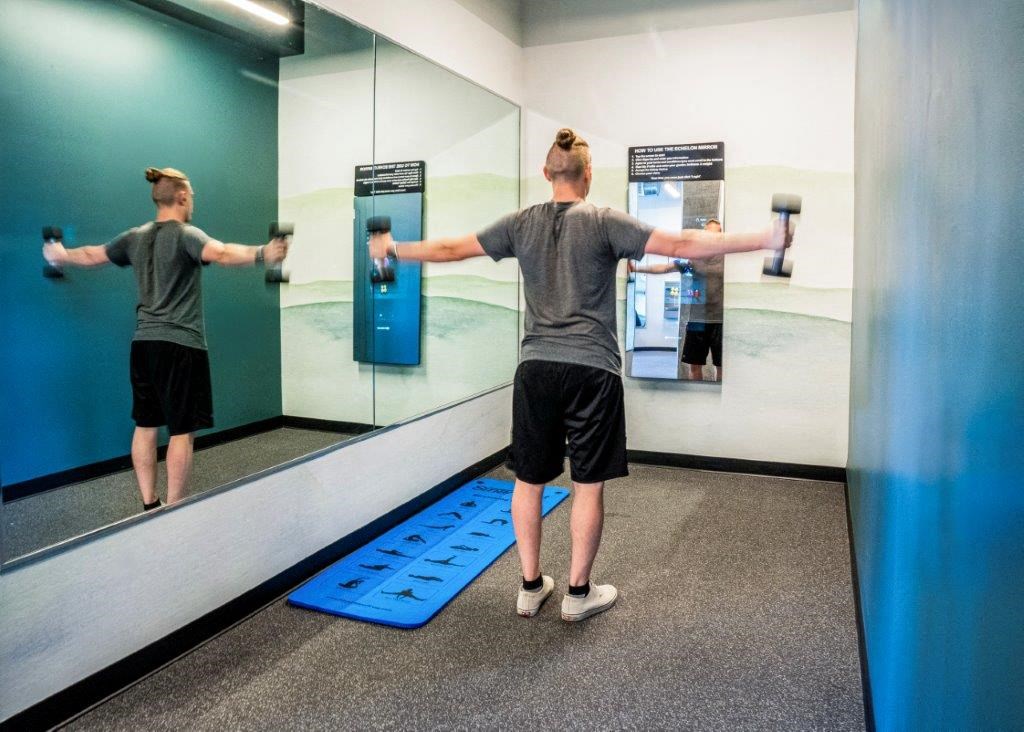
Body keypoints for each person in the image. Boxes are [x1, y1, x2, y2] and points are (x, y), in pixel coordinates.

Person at [368, 128, 792, 622]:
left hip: (536, 369)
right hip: (593, 369)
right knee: (587, 485)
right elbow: (682, 243)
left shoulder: (520, 222)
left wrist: (392, 248)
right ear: (588, 175)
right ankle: (577, 594)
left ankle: (530, 587)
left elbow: (448, 249)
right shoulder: (605, 220)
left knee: (528, 481)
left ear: (547, 174)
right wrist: (767, 237)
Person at [42, 167, 288, 510]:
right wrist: (265, 253)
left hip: (143, 346)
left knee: (145, 426)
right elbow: (221, 253)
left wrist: (61, 255)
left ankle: (150, 506)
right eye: (194, 196)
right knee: (180, 431)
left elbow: (93, 254)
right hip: (180, 346)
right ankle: (175, 511)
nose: (194, 202)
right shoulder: (187, 234)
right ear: (183, 195)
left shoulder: (134, 237)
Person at [629, 218, 724, 381]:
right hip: (697, 321)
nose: (713, 239)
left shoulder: (727, 259)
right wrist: (636, 268)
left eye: (717, 234)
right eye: (709, 234)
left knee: (722, 368)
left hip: (721, 322)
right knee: (694, 367)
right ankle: (696, 399)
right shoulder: (693, 260)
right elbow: (666, 267)